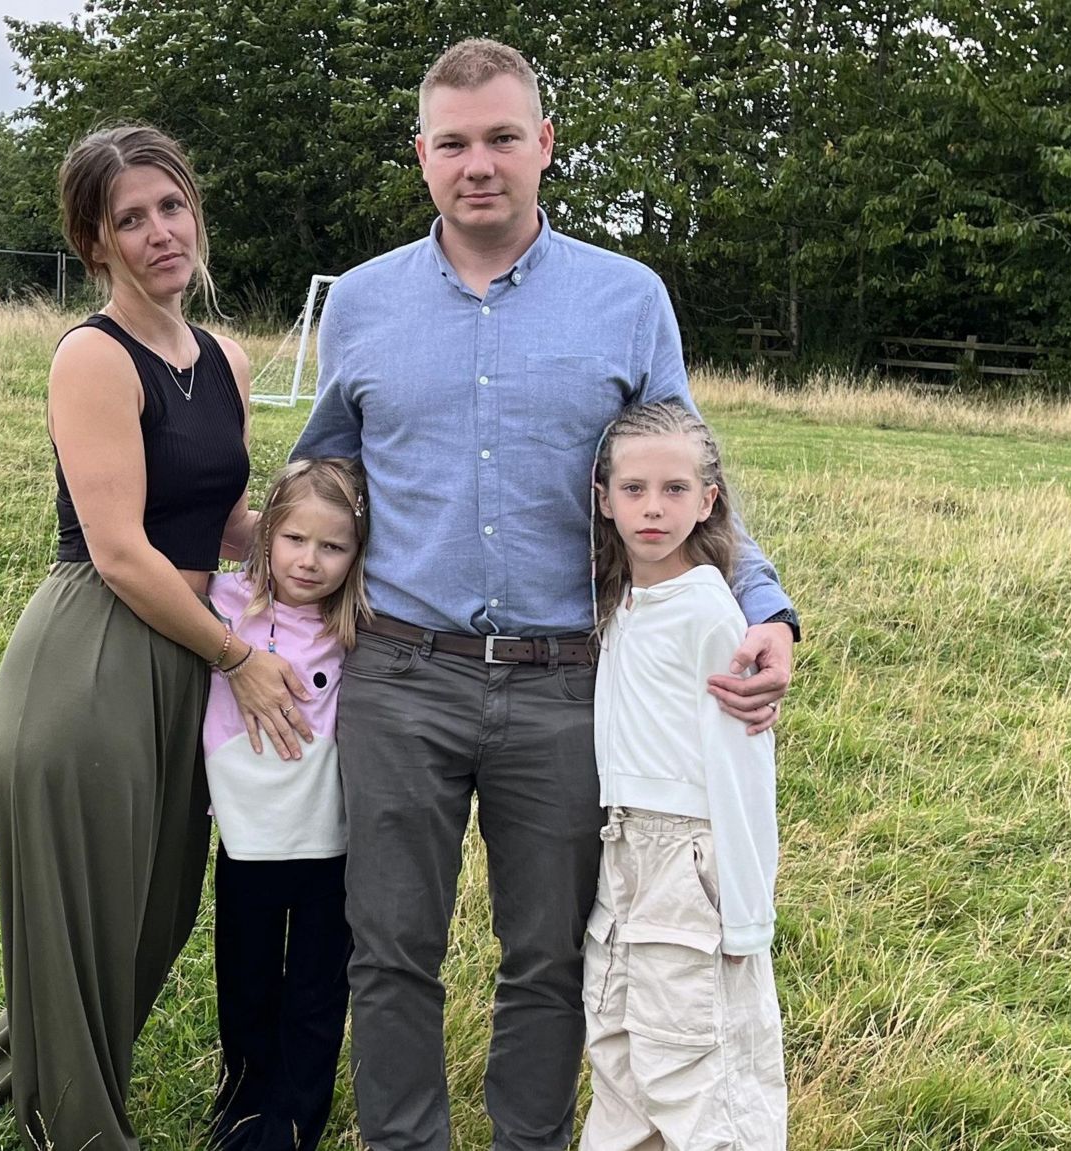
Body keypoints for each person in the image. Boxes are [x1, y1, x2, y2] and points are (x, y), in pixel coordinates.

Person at [291, 38, 800, 1151]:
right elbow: (319, 476)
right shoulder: (365, 303)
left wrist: (765, 609)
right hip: (399, 673)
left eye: (503, 138)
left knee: (552, 951)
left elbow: (688, 476)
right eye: (455, 143)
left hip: (568, 680)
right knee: (388, 946)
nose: (480, 164)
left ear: (544, 147)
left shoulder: (625, 299)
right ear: (421, 155)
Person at [0, 124, 314, 1151]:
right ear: (94, 242)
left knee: (153, 918)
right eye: (129, 218)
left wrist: (330, 547)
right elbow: (118, 548)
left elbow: (223, 522)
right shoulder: (91, 356)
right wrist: (239, 656)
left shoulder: (224, 358)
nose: (159, 232)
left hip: (183, 652)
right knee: (85, 915)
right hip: (95, 654)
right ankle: (74, 1127)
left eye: (171, 206)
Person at [582, 400, 787, 1150]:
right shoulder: (622, 600)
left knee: (702, 1077)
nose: (653, 508)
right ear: (603, 499)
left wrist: (745, 910)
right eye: (633, 489)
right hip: (621, 855)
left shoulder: (709, 610)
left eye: (675, 489)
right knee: (620, 1053)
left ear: (709, 500)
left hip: (689, 864)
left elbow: (743, 767)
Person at [202, 457, 369, 1151]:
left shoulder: (360, 622)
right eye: (295, 539)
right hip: (246, 835)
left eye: (332, 546)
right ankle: (243, 1105)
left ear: (356, 555)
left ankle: (294, 1120)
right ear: (266, 534)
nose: (310, 560)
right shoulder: (220, 604)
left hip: (328, 838)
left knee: (316, 989)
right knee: (245, 978)